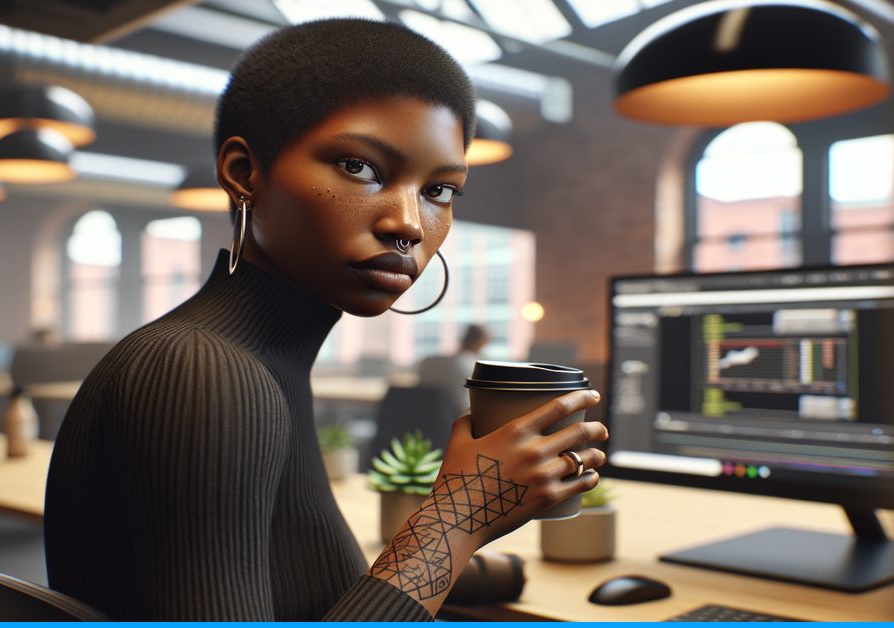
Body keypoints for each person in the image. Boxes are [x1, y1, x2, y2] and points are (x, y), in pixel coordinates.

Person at [44, 18, 607, 621]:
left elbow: (291, 586)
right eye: (360, 168)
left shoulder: (258, 358)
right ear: (244, 173)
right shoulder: (205, 371)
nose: (409, 224)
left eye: (440, 190)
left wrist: (460, 573)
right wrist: (458, 518)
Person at [417, 323, 490, 413]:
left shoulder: (428, 361)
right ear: (481, 342)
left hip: (425, 416)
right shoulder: (472, 365)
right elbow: (468, 405)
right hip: (460, 418)